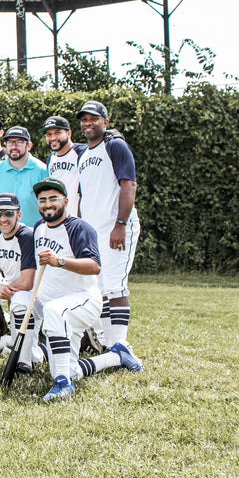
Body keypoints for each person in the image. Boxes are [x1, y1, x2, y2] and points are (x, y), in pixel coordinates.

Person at [32, 177, 143, 402]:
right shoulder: (38, 228)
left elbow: (94, 266)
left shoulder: (79, 227)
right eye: (42, 200)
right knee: (70, 368)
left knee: (54, 310)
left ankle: (63, 385)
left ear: (66, 200)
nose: (47, 204)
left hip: (83, 301)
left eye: (53, 198)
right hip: (58, 309)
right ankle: (115, 357)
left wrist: (59, 261)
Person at [76, 100, 141, 350]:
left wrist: (120, 224)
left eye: (94, 118)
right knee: (99, 288)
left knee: (115, 286)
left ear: (106, 121)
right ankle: (104, 343)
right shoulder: (83, 153)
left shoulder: (115, 146)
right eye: (84, 119)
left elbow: (129, 185)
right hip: (94, 231)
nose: (88, 123)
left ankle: (120, 345)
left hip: (116, 228)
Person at [0, 192, 39, 371]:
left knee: (20, 304)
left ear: (19, 215)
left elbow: (27, 282)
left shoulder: (27, 236)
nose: (3, 218)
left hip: (38, 294)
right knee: (35, 351)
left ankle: (23, 363)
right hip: (15, 291)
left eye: (9, 213)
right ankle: (10, 344)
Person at [0, 126, 48, 224]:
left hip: (33, 235)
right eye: (10, 142)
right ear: (5, 145)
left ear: (29, 146)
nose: (14, 147)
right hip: (0, 236)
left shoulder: (42, 171)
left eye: (19, 142)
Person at [42, 115, 86, 217]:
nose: (53, 138)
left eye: (58, 132)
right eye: (48, 134)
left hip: (82, 218)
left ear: (69, 133)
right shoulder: (51, 159)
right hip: (61, 219)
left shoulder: (82, 152)